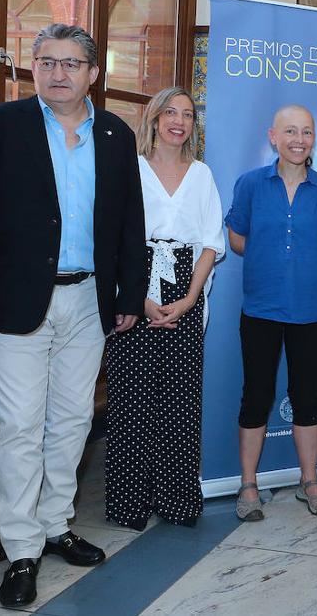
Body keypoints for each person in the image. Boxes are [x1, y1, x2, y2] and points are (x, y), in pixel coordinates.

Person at [0, 23, 147, 608]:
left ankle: (57, 524)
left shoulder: (114, 134)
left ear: (93, 73)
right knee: (19, 428)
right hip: (14, 303)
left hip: (90, 302)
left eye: (70, 63)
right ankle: (21, 550)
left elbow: (130, 225)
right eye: (46, 62)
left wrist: (129, 298)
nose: (57, 73)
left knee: (70, 422)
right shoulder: (1, 127)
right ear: (33, 69)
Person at [104, 87, 224, 530]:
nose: (179, 120)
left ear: (194, 126)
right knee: (131, 404)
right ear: (154, 119)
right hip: (135, 290)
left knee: (179, 405)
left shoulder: (202, 175)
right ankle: (129, 504)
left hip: (185, 287)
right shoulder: (128, 170)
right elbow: (113, 239)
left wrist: (191, 299)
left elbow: (212, 242)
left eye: (188, 114)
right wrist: (138, 298)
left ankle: (176, 501)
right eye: (170, 112)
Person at [225, 105, 317, 520]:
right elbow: (237, 237)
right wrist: (271, 260)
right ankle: (248, 485)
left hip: (309, 310)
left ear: (314, 138)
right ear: (273, 136)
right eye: (290, 131)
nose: (299, 139)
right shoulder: (251, 184)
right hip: (260, 308)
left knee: (307, 396)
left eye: (306, 132)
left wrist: (304, 267)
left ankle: (309, 482)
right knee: (256, 395)